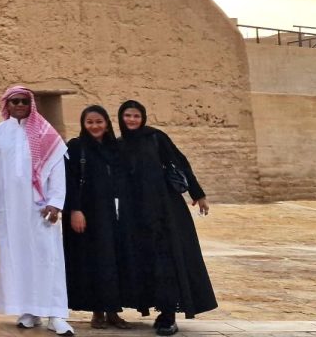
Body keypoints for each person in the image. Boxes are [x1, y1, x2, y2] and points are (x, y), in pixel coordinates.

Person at [117, 100, 216, 336]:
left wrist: (198, 194)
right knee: (146, 259)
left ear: (143, 118)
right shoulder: (119, 145)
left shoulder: (156, 138)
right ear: (121, 118)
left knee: (168, 259)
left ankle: (168, 315)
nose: (131, 120)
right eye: (127, 116)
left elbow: (179, 162)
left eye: (136, 116)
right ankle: (157, 308)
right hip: (135, 214)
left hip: (165, 210)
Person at [0, 86, 74, 336]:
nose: (20, 105)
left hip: (41, 208)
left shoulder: (47, 133)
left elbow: (57, 168)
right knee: (18, 259)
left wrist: (56, 202)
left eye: (24, 101)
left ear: (31, 103)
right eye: (15, 101)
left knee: (48, 258)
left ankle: (56, 313)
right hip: (9, 209)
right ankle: (29, 310)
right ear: (7, 105)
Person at [62, 105, 135, 330]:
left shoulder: (117, 147)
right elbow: (69, 181)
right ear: (84, 124)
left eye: (99, 122)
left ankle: (114, 311)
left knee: (116, 261)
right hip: (88, 215)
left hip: (116, 215)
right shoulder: (76, 147)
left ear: (107, 123)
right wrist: (75, 210)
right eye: (90, 122)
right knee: (94, 262)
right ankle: (98, 311)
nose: (95, 126)